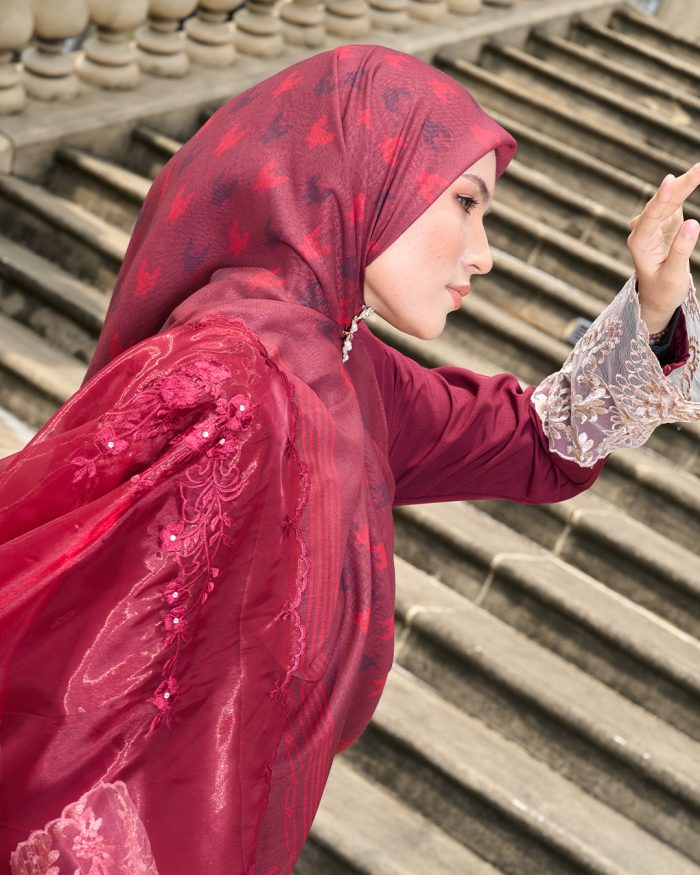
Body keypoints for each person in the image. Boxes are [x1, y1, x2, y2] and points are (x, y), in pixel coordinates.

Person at [1, 43, 698, 875]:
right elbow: (69, 683)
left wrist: (656, 312)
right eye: (466, 204)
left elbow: (539, 436)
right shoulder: (228, 378)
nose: (484, 253)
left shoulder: (341, 361)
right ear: (363, 175)